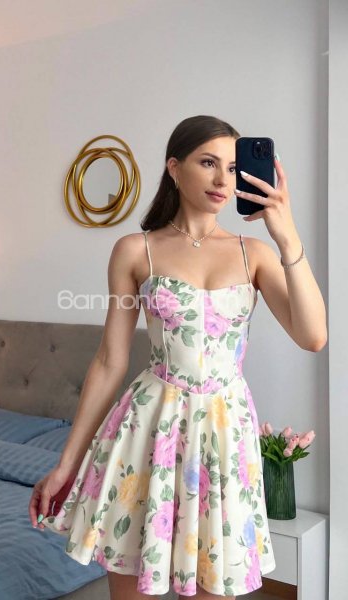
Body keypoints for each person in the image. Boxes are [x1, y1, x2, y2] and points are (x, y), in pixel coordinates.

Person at [28, 115, 327, 600]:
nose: (222, 179)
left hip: (225, 435)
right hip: (149, 428)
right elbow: (109, 361)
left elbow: (313, 336)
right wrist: (67, 463)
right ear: (174, 167)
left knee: (216, 583)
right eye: (207, 163)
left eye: (232, 168)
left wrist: (287, 235)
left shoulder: (254, 253)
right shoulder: (134, 250)